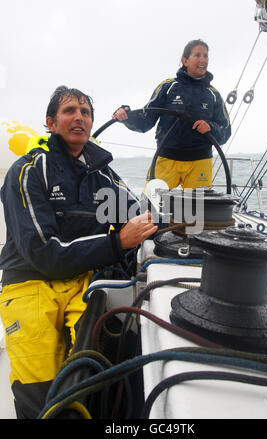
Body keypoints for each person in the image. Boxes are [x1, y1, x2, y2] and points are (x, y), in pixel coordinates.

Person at [0, 86, 158, 419]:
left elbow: (140, 213)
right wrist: (117, 243)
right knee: (41, 396)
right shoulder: (29, 171)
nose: (79, 118)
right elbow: (43, 253)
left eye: (85, 112)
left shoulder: (100, 176)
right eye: (69, 110)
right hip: (29, 285)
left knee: (109, 362)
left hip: (80, 281)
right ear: (50, 123)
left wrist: (193, 217)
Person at [113, 38, 231, 189]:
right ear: (185, 60)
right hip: (166, 158)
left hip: (200, 162)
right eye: (197, 55)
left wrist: (211, 128)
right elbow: (145, 121)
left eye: (206, 55)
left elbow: (225, 131)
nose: (203, 59)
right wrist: (126, 116)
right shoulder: (168, 86)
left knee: (196, 211)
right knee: (151, 207)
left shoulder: (214, 94)